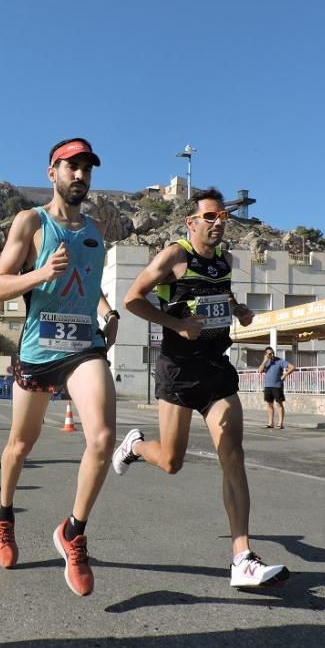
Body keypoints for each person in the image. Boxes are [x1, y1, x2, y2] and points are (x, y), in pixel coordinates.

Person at [112, 187, 290, 589]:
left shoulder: (225, 260)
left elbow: (220, 292)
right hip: (178, 369)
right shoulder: (174, 257)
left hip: (215, 368)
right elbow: (132, 299)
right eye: (208, 217)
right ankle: (135, 446)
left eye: (221, 216)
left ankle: (242, 557)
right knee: (172, 462)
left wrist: (237, 309)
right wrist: (177, 325)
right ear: (190, 223)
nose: (217, 222)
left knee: (233, 455)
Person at [0, 138, 119, 597]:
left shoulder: (95, 231)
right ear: (52, 173)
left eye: (87, 168)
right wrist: (40, 274)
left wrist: (107, 311)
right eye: (72, 167)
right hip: (38, 348)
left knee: (103, 438)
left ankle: (74, 531)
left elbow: (88, 285)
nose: (80, 175)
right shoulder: (32, 222)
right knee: (20, 445)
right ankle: (5, 517)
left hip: (84, 344)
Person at [258, 347, 295, 429]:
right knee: (269, 404)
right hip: (268, 386)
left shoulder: (279, 361)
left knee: (279, 404)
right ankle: (270, 423)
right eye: (269, 353)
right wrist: (265, 360)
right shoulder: (266, 362)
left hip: (277, 386)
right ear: (265, 354)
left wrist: (285, 374)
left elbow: (292, 367)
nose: (272, 355)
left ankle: (280, 423)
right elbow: (260, 371)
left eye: (272, 353)